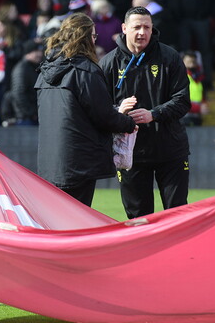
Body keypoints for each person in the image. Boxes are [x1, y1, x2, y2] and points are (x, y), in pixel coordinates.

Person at [33, 12, 138, 206]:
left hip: (50, 162)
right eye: (93, 36)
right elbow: (103, 115)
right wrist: (128, 123)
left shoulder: (45, 70)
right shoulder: (85, 70)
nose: (94, 40)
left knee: (57, 224)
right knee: (76, 224)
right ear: (85, 38)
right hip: (79, 161)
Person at [99, 6, 191, 219]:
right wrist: (117, 110)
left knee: (177, 214)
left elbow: (183, 100)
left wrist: (154, 113)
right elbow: (98, 108)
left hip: (170, 150)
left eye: (147, 27)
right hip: (130, 154)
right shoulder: (109, 63)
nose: (142, 32)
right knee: (138, 218)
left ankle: (181, 254)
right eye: (137, 27)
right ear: (124, 28)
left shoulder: (169, 57)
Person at [9, 39, 43, 125]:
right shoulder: (22, 69)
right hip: (26, 118)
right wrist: (31, 113)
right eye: (36, 51)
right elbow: (18, 93)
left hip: (33, 116)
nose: (40, 54)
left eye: (40, 51)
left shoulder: (34, 67)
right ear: (28, 53)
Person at [180, 50, 207, 126]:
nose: (191, 65)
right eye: (188, 62)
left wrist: (204, 104)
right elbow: (179, 100)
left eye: (193, 62)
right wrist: (198, 108)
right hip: (183, 117)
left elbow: (201, 95)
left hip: (197, 117)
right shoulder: (179, 78)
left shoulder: (198, 78)